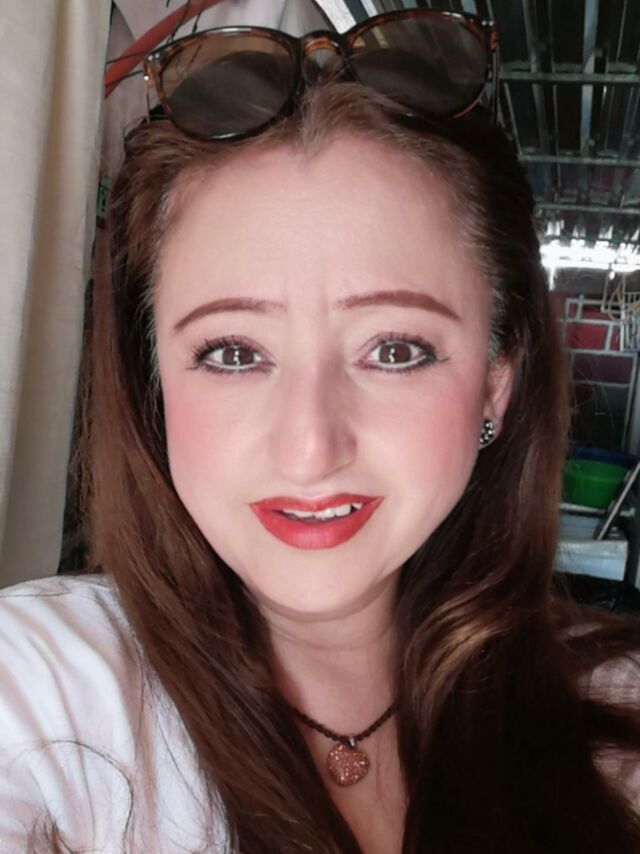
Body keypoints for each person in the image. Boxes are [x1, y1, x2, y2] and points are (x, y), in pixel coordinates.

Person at [1, 9, 640, 853]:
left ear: (497, 381)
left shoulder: (617, 710)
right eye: (234, 353)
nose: (310, 448)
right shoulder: (38, 696)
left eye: (395, 350)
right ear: (152, 379)